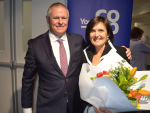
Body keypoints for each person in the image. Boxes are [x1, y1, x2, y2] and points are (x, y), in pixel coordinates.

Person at [21, 2, 131, 113]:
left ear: (68, 19)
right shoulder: (35, 45)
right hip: (49, 107)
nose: (60, 22)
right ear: (47, 19)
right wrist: (27, 110)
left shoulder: (78, 40)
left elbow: (96, 51)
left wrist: (121, 50)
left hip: (77, 106)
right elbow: (27, 81)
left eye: (64, 18)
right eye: (56, 18)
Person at [81, 16, 130, 113]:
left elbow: (127, 85)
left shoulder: (120, 52)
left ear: (108, 34)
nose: (96, 34)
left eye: (101, 30)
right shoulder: (83, 54)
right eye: (92, 31)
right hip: (89, 108)